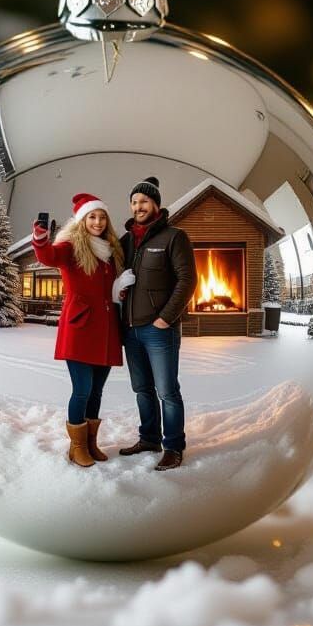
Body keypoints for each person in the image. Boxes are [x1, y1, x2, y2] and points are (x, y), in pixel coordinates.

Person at [32, 193, 125, 468]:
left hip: (107, 330)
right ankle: (77, 447)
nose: (97, 222)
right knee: (82, 389)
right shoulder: (70, 246)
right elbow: (48, 255)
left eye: (101, 217)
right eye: (92, 217)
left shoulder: (111, 251)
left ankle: (90, 443)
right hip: (81, 327)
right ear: (82, 220)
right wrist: (39, 239)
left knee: (96, 392)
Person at [117, 176, 198, 471]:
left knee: (167, 390)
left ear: (156, 205)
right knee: (142, 389)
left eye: (144, 201)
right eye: (134, 202)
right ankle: (149, 438)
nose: (138, 206)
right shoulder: (125, 241)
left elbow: (187, 280)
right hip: (130, 328)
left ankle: (173, 446)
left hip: (159, 329)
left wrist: (166, 317)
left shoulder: (174, 237)